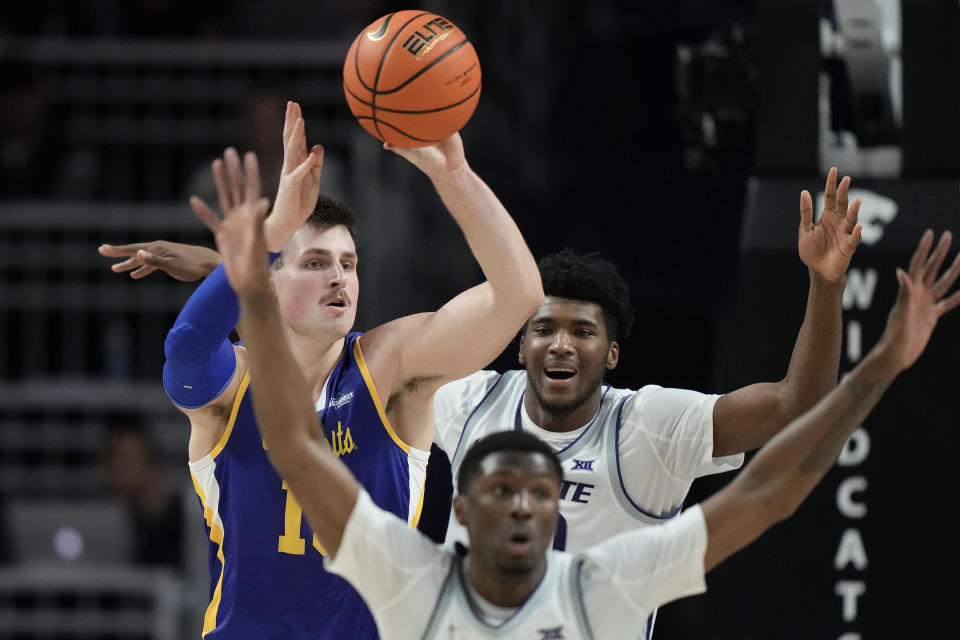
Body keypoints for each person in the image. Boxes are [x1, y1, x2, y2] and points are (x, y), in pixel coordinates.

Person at [207, 148, 960, 638]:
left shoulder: (612, 550)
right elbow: (300, 444)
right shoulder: (427, 549)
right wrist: (249, 286)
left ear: (614, 350)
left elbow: (774, 480)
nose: (528, 503)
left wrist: (873, 349)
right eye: (505, 487)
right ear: (462, 509)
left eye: (540, 489)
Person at [101, 101, 543, 639]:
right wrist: (273, 229)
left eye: (349, 264)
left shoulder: (389, 364)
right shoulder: (236, 384)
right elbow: (188, 349)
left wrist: (455, 176)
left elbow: (518, 297)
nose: (340, 277)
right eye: (316, 262)